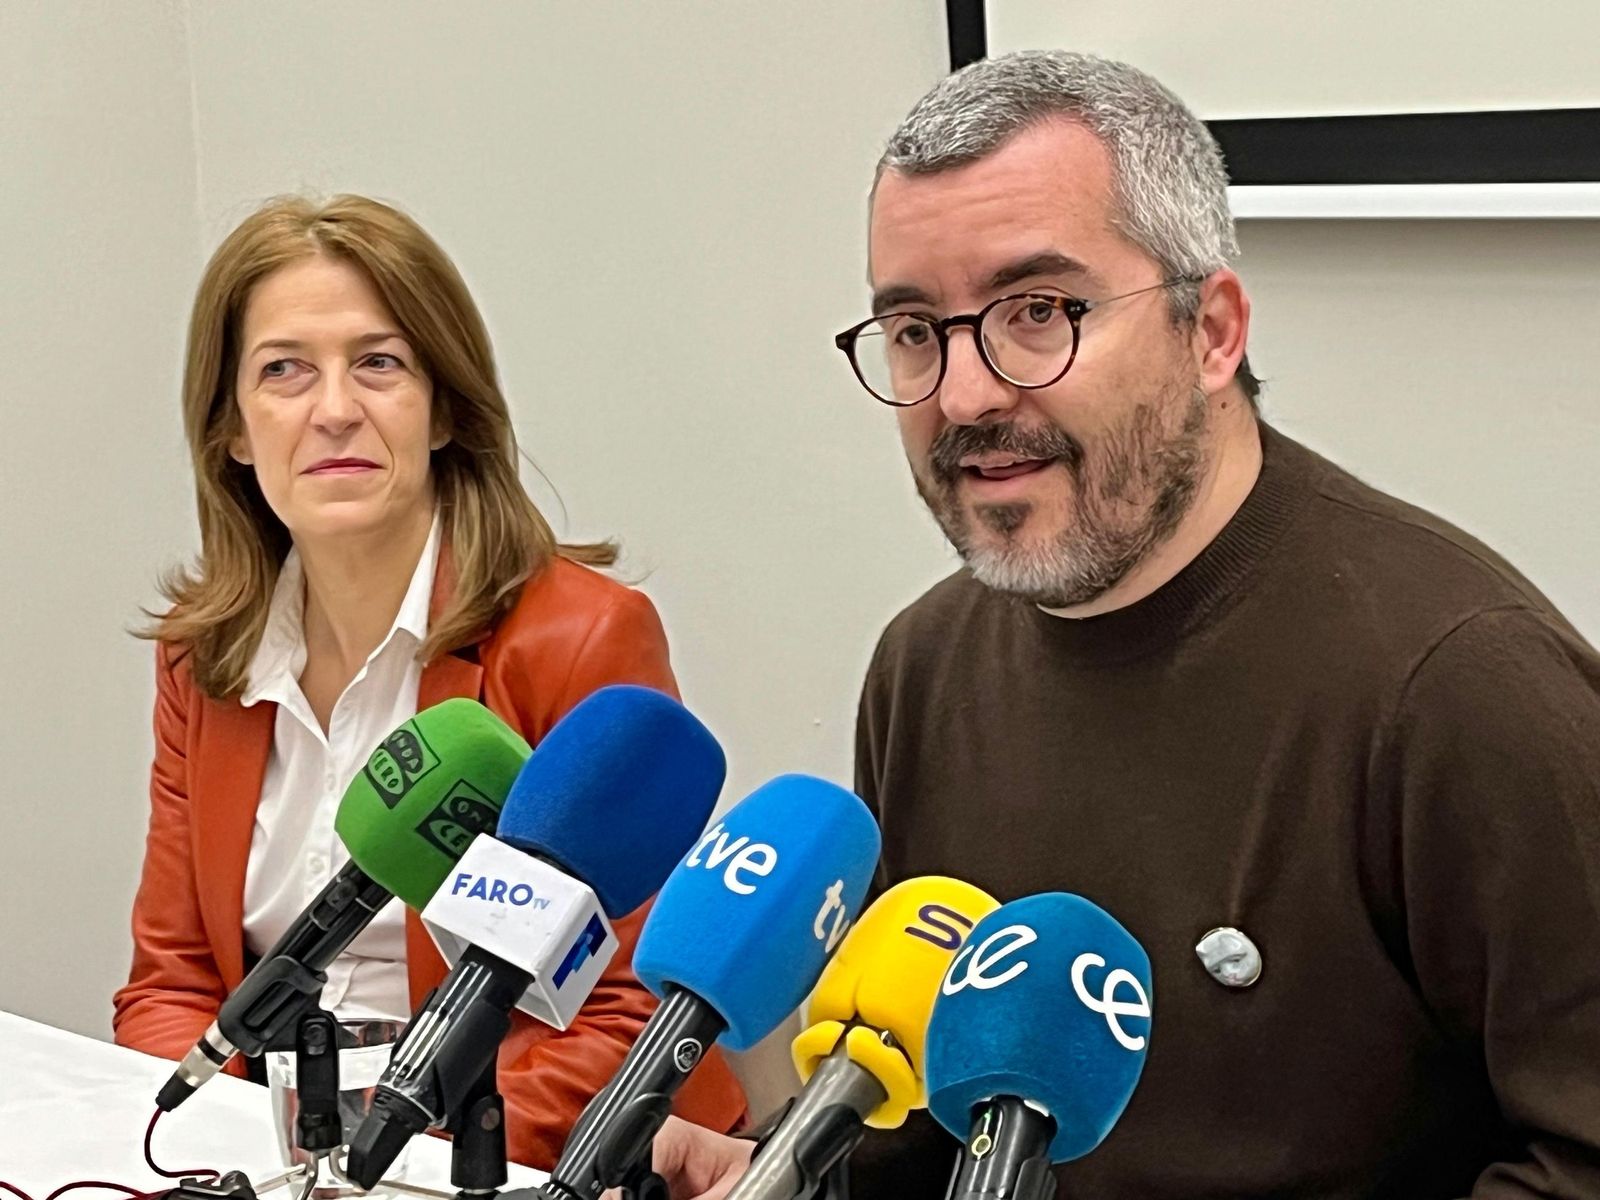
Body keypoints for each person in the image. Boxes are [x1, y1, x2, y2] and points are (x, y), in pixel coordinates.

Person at [639, 50, 1600, 1199]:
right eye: (911, 329)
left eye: (1036, 313)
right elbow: (919, 1118)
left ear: (1212, 332)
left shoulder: (1460, 686)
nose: (962, 396)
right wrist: (786, 1172)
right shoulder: (924, 666)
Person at [113, 194, 746, 1168]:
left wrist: (392, 1166)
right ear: (232, 429)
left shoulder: (576, 639)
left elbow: (623, 1009)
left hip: (521, 1157)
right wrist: (237, 1159)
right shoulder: (206, 659)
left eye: (379, 364)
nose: (333, 409)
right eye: (284, 370)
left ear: (442, 406)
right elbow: (172, 982)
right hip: (282, 1157)